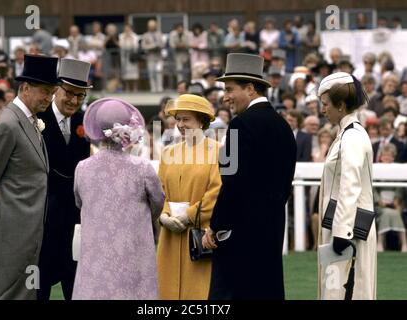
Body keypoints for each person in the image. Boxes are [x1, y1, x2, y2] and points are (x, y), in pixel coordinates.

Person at [202, 53, 297, 299]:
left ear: (251, 89)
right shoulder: (283, 126)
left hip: (239, 236)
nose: (225, 97)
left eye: (230, 89)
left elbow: (231, 182)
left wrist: (216, 225)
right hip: (272, 228)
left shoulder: (239, 125)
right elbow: (285, 183)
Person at [0, 54, 59, 300]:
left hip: (29, 232)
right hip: (12, 233)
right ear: (25, 88)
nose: (48, 98)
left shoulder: (28, 121)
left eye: (52, 92)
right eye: (44, 91)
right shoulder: (8, 124)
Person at [72, 97, 164, 300]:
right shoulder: (142, 168)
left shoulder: (82, 168)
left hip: (96, 251)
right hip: (133, 248)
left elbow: (80, 203)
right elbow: (158, 203)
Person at [36, 58, 92, 300]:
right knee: (39, 285)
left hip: (75, 221)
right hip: (42, 218)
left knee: (76, 285)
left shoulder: (84, 122)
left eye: (80, 96)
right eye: (69, 93)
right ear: (56, 89)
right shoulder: (37, 115)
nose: (74, 101)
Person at [317, 72, 377, 299]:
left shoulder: (351, 136)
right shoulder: (347, 133)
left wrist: (342, 233)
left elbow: (350, 185)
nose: (323, 110)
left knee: (343, 292)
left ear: (340, 105)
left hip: (349, 232)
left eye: (325, 104)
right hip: (346, 227)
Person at [156, 94, 222, 300]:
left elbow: (217, 193)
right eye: (178, 119)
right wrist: (164, 216)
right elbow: (160, 192)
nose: (181, 125)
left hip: (201, 236)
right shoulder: (168, 152)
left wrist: (188, 216)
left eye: (186, 119)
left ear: (201, 121)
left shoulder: (219, 151)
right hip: (170, 235)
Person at [374, 143, 407, 252]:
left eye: (389, 155)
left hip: (396, 202)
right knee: (387, 212)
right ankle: (402, 242)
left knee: (394, 212)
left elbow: (400, 187)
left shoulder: (397, 169)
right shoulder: (376, 168)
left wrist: (397, 199)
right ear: (381, 157)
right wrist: (379, 200)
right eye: (385, 155)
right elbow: (372, 188)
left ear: (393, 157)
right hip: (379, 203)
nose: (387, 158)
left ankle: (401, 243)